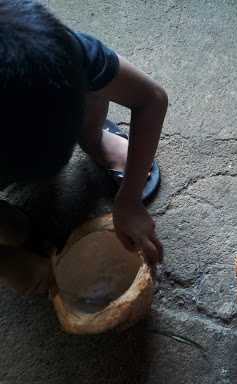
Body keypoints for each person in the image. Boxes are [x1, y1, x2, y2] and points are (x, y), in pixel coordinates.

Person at [0, 0, 166, 292]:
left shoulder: (57, 53)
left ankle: (94, 138)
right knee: (10, 234)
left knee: (96, 85)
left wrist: (129, 199)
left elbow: (151, 98)